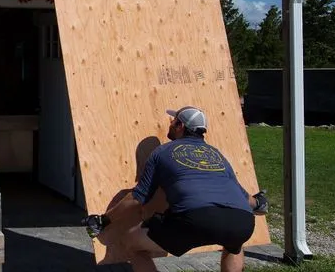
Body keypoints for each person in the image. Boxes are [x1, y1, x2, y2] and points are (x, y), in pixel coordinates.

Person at [83, 106, 269, 272]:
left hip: (195, 218)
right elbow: (243, 196)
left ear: (180, 126)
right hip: (241, 220)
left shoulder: (162, 152)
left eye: (173, 121)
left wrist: (103, 220)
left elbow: (138, 198)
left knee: (133, 244)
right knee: (234, 242)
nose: (170, 123)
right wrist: (259, 202)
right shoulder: (216, 154)